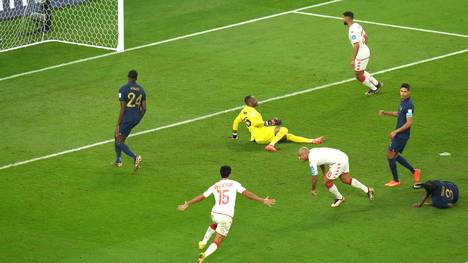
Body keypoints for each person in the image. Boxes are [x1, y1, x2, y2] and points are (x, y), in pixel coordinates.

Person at [177, 165, 276, 262]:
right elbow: (248, 195)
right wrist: (262, 200)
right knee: (218, 240)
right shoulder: (234, 184)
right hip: (226, 216)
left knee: (216, 223)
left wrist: (188, 203)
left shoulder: (215, 185)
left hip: (215, 214)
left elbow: (202, 196)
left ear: (220, 174)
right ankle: (204, 255)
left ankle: (203, 242)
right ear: (230, 174)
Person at [231, 95, 324, 152]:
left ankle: (312, 141)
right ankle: (271, 145)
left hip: (257, 135)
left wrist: (234, 135)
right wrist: (272, 122)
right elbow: (257, 124)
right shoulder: (254, 113)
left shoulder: (243, 111)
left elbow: (236, 121)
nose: (257, 101)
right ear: (250, 103)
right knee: (284, 129)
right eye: (255, 100)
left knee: (288, 136)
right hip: (262, 134)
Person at [297, 147, 374, 208]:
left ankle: (340, 198)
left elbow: (314, 176)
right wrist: (324, 173)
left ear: (306, 153)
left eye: (300, 155)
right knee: (346, 180)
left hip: (339, 162)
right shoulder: (312, 151)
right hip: (343, 156)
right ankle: (368, 190)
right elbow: (321, 162)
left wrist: (313, 189)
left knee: (327, 182)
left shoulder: (312, 160)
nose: (299, 158)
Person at [379, 83, 421, 188]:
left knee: (390, 156)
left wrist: (396, 132)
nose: (402, 93)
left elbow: (409, 122)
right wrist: (386, 113)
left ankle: (396, 180)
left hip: (402, 136)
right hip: (399, 135)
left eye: (405, 91)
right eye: (401, 91)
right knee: (393, 155)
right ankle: (414, 171)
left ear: (409, 92)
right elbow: (399, 113)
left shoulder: (409, 105)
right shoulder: (403, 102)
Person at [342, 11, 383, 95]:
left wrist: (353, 59)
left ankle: (374, 89)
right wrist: (364, 47)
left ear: (347, 18)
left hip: (361, 54)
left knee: (358, 75)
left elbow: (356, 45)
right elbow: (366, 37)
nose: (342, 19)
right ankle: (377, 84)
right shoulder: (357, 25)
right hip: (365, 50)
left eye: (343, 17)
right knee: (361, 71)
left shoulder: (352, 30)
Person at [114, 70, 146, 170]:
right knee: (118, 138)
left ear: (128, 77)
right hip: (135, 118)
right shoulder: (141, 90)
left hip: (127, 118)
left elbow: (123, 108)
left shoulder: (122, 89)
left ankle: (135, 157)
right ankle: (118, 160)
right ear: (136, 78)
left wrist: (118, 124)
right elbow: (144, 108)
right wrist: (137, 119)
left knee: (119, 140)